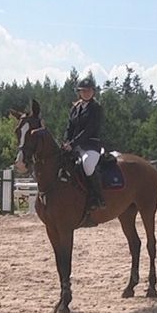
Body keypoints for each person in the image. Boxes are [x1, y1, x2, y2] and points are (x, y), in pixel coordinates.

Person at [63, 73, 106, 211]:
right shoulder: (75, 108)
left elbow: (89, 130)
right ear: (79, 92)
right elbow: (69, 127)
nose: (86, 93)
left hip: (91, 146)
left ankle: (97, 197)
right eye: (83, 91)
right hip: (75, 146)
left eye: (88, 90)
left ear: (93, 92)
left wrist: (72, 144)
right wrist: (66, 142)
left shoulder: (96, 108)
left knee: (87, 165)